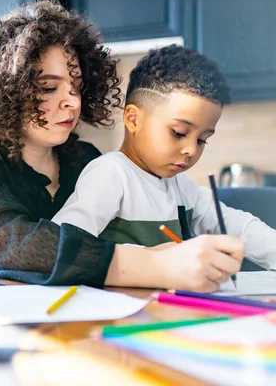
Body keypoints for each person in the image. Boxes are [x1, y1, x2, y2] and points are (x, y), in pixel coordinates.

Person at [0, 0, 245, 292]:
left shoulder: (85, 158)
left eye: (77, 88)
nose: (72, 101)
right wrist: (154, 263)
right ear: (5, 91)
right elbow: (12, 247)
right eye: (48, 88)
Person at [52, 44, 276, 271]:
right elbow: (61, 243)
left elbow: (239, 226)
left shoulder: (183, 187)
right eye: (178, 133)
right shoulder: (110, 174)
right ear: (132, 119)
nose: (191, 150)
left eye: (202, 140)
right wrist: (154, 257)